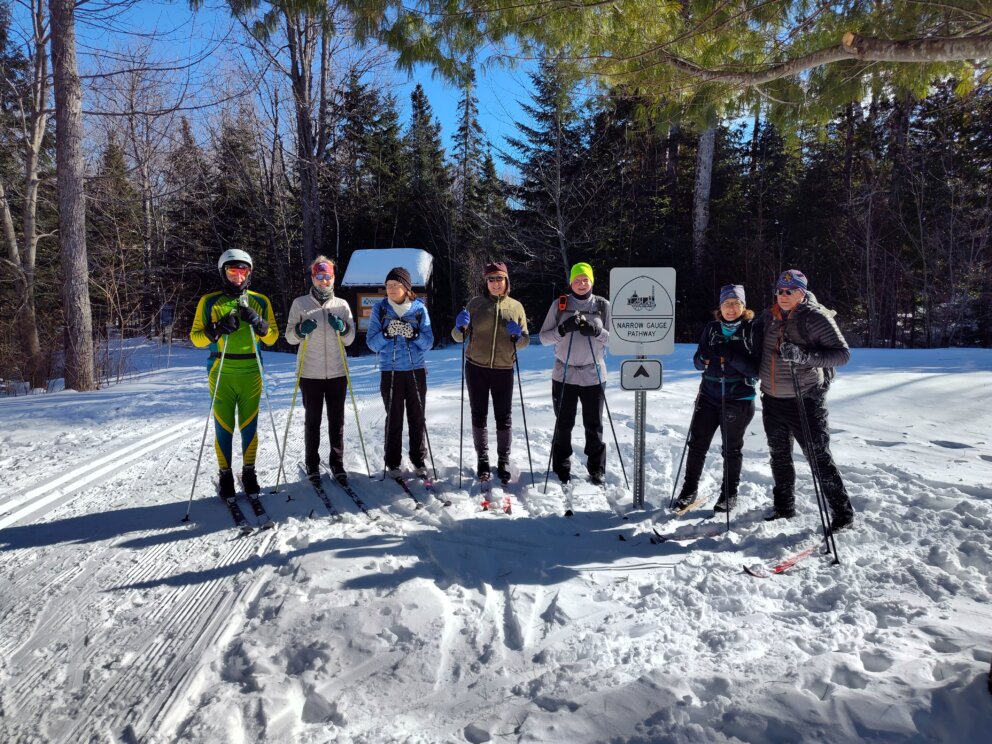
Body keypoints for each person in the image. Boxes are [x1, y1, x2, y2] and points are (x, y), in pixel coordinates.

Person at [754, 269, 855, 531]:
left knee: (818, 457)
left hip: (805, 399)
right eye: (780, 291)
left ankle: (843, 515)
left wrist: (804, 356)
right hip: (772, 398)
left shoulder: (815, 317)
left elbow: (842, 355)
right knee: (779, 456)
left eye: (790, 291)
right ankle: (784, 507)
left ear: (802, 292)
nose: (784, 295)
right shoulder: (769, 316)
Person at [190, 249, 279, 497]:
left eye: (243, 271)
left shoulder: (260, 301)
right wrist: (216, 329)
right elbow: (196, 339)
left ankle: (249, 472)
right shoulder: (210, 302)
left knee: (249, 425)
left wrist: (259, 323)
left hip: (251, 370)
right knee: (223, 425)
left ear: (249, 273)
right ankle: (225, 474)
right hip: (221, 370)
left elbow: (272, 338)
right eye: (232, 271)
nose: (238, 276)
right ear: (223, 273)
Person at [672, 284, 759, 512]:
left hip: (738, 398)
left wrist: (729, 354)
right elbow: (697, 362)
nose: (731, 308)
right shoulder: (712, 328)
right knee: (697, 445)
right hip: (708, 395)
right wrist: (704, 357)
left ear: (743, 306)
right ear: (720, 307)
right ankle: (689, 490)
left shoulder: (752, 329)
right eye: (726, 303)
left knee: (731, 449)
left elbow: (755, 370)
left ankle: (729, 494)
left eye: (736, 303)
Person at [451, 262, 529, 483]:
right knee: (479, 414)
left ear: (506, 281)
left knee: (504, 417)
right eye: (491, 279)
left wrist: (518, 336)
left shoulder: (516, 307)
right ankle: (482, 459)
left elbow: (525, 341)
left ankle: (503, 460)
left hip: (504, 368)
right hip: (476, 367)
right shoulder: (475, 304)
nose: (495, 284)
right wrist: (458, 327)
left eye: (499, 279)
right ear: (486, 282)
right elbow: (459, 337)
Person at [538, 262, 611, 486]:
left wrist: (597, 331)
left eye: (585, 279)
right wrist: (562, 329)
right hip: (564, 374)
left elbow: (617, 341)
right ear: (571, 282)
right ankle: (561, 467)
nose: (581, 283)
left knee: (594, 425)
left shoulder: (602, 305)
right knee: (563, 424)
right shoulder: (559, 305)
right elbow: (543, 338)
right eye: (577, 280)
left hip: (593, 374)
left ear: (592, 281)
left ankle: (596, 469)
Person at [285, 256, 356, 484]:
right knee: (312, 421)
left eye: (327, 277)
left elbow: (350, 339)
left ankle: (337, 463)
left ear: (333, 278)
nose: (323, 281)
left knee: (337, 422)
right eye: (319, 277)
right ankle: (312, 463)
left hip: (337, 372)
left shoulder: (342, 305)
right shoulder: (300, 304)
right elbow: (289, 337)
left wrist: (343, 328)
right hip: (310, 373)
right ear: (313, 278)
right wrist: (300, 330)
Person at [366, 267, 434, 479]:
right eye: (388, 285)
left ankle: (418, 459)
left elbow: (429, 343)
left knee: (417, 417)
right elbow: (372, 343)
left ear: (406, 287)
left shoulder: (419, 309)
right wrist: (387, 333)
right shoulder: (380, 309)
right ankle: (393, 462)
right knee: (394, 418)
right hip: (391, 371)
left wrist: (414, 334)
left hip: (416, 370)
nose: (391, 289)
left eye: (396, 285)